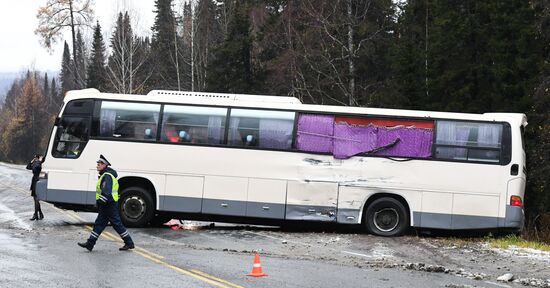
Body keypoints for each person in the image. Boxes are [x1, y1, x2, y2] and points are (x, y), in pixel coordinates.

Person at [78, 155, 135, 252]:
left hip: (109, 205)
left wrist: (99, 202)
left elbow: (106, 192)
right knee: (99, 224)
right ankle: (90, 244)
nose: (97, 166)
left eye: (99, 164)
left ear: (104, 165)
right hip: (108, 204)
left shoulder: (107, 176)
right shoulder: (106, 175)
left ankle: (129, 243)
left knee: (116, 224)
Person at [26, 154, 44, 220]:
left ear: (38, 158)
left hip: (38, 182)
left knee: (36, 199)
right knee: (35, 199)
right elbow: (27, 167)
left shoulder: (39, 164)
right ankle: (40, 214)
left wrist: (39, 161)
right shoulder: (36, 163)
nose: (35, 159)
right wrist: (31, 161)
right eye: (34, 157)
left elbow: (36, 169)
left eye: (36, 157)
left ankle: (36, 215)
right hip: (34, 181)